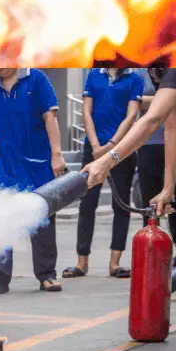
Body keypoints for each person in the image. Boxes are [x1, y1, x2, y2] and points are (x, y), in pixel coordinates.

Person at [85, 68, 176, 346]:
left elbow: (152, 119)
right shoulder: (155, 72)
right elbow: (171, 124)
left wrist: (108, 159)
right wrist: (168, 186)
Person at [0, 68, 66, 295]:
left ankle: (47, 275)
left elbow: (50, 117)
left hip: (36, 162)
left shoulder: (36, 79)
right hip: (3, 163)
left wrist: (57, 155)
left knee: (42, 217)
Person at [62, 68, 142, 280]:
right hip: (93, 147)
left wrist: (112, 145)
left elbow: (132, 115)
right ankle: (82, 262)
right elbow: (86, 112)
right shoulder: (93, 75)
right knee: (87, 204)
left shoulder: (134, 78)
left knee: (121, 206)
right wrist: (96, 146)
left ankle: (115, 263)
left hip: (122, 149)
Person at [134, 69, 176, 266]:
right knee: (151, 201)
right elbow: (134, 102)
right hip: (149, 143)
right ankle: (168, 251)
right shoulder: (139, 73)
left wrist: (158, 100)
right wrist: (166, 98)